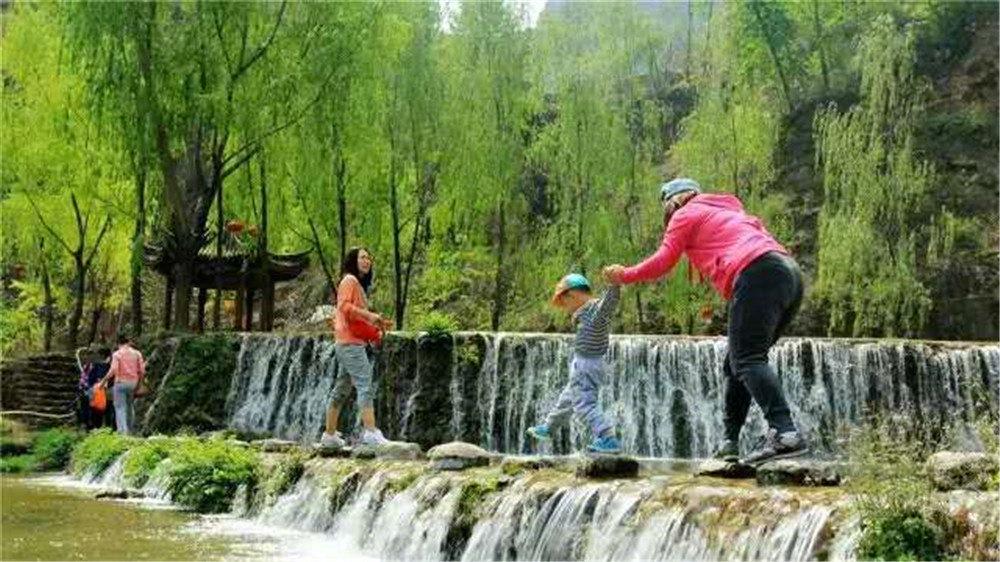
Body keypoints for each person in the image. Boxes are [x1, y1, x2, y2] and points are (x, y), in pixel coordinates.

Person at [603, 178, 807, 465]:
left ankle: (786, 433)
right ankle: (729, 443)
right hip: (789, 275)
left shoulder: (684, 214)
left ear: (673, 202)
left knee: (747, 359)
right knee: (735, 363)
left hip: (757, 271)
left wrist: (624, 275)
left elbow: (663, 261)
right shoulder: (728, 211)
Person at [527, 273, 623, 454]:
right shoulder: (585, 312)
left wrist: (615, 284)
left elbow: (609, 304)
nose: (565, 308)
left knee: (585, 404)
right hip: (582, 363)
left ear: (573, 295)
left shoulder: (595, 311)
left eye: (565, 303)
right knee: (568, 398)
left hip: (588, 364)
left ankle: (607, 437)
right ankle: (549, 427)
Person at [321, 247, 394, 448]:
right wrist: (371, 316)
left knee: (341, 388)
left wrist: (376, 328)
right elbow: (344, 307)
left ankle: (329, 435)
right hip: (350, 345)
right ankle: (370, 432)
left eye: (369, 258)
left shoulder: (356, 285)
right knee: (364, 384)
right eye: (362, 257)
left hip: (347, 342)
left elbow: (356, 321)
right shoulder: (349, 280)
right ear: (353, 260)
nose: (367, 261)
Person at [99, 335, 145, 435]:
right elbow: (142, 371)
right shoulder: (137, 353)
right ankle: (130, 430)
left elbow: (113, 370)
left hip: (120, 383)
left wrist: (103, 381)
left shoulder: (117, 354)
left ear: (118, 343)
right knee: (130, 406)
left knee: (120, 407)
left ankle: (123, 432)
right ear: (128, 342)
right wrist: (140, 384)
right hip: (133, 383)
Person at [77, 347, 112, 430]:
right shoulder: (108, 366)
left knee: (95, 409)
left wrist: (89, 387)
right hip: (101, 390)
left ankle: (93, 426)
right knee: (103, 409)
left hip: (96, 390)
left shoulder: (97, 366)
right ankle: (103, 427)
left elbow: (91, 379)